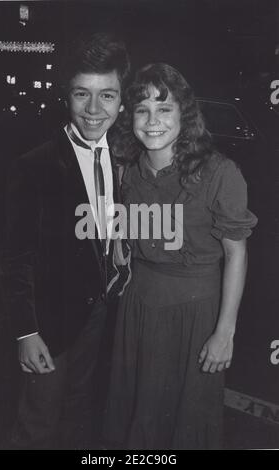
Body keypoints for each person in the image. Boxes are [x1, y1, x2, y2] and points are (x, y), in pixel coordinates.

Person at [103, 63, 257, 450]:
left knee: (187, 423)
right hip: (137, 307)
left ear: (184, 114)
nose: (152, 120)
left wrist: (225, 333)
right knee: (134, 416)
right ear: (130, 117)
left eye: (164, 108)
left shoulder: (221, 172)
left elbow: (236, 254)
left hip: (195, 313)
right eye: (142, 109)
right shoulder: (125, 170)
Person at [1, 32, 130, 449]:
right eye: (82, 94)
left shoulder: (126, 156)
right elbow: (15, 257)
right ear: (67, 97)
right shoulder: (34, 165)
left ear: (121, 101)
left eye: (107, 96)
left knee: (79, 419)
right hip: (49, 324)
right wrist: (26, 332)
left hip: (100, 319)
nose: (94, 110)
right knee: (38, 425)